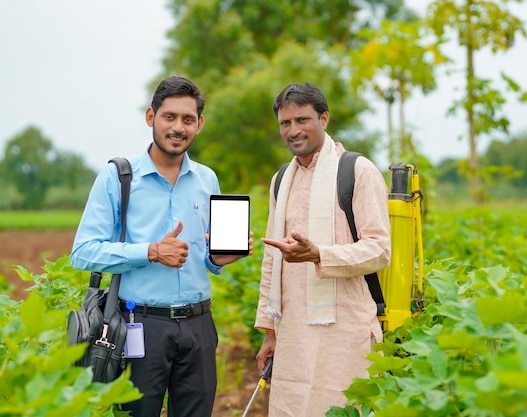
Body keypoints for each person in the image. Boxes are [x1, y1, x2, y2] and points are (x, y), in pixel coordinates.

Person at [70, 76, 252, 417]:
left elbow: (203, 256)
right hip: (140, 325)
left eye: (187, 119)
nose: (178, 127)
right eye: (170, 117)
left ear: (199, 124)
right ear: (151, 117)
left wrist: (218, 259)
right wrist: (150, 251)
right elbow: (83, 252)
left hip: (199, 325)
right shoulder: (118, 177)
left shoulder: (207, 179)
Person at [254, 82, 391, 416]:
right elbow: (273, 262)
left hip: (344, 330)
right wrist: (269, 332)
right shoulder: (281, 179)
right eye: (286, 123)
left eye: (303, 120)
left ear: (324, 118)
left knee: (341, 407)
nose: (293, 130)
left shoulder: (357, 170)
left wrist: (320, 255)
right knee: (293, 406)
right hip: (293, 335)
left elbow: (379, 250)